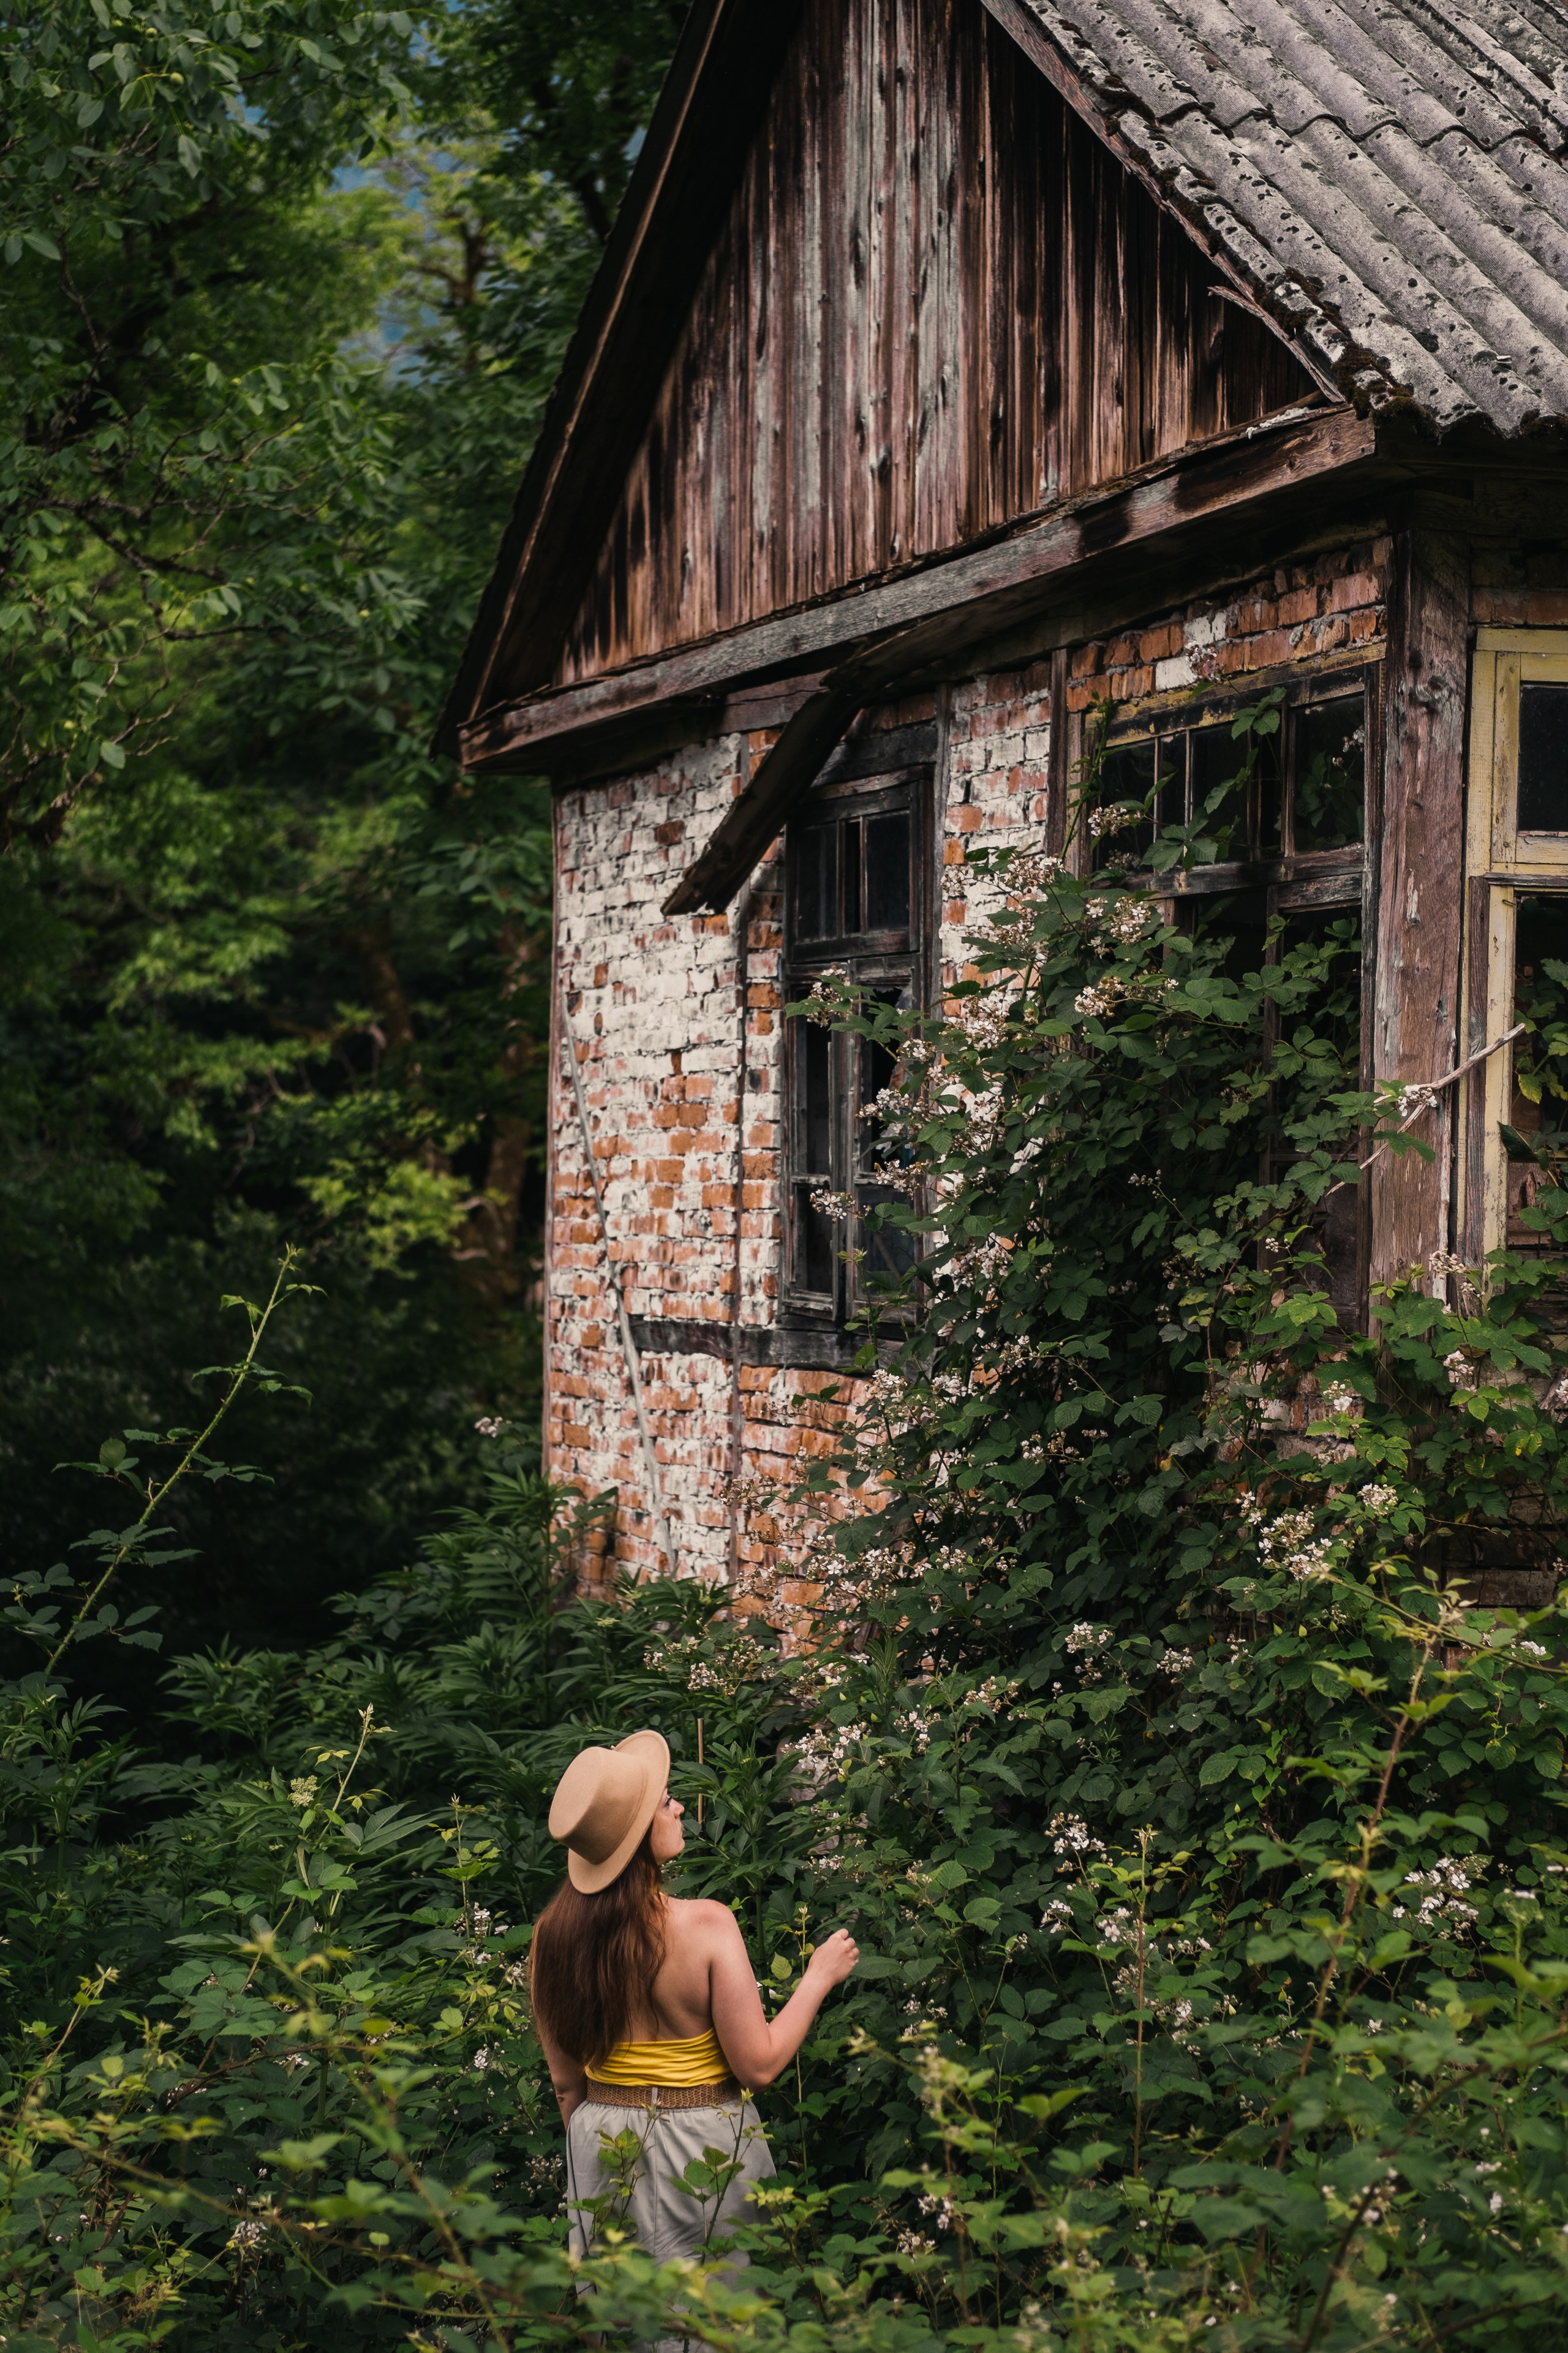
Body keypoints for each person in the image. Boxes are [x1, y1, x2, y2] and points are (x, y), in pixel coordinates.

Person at [530, 1727, 859, 2289]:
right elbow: (758, 2066)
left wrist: (600, 2151)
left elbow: (567, 2087)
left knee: (618, 2321)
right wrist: (818, 1977)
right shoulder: (706, 1923)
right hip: (701, 2142)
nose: (679, 1805)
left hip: (601, 2143)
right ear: (636, 1835)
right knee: (710, 2320)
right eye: (665, 1802)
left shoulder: (550, 1938)